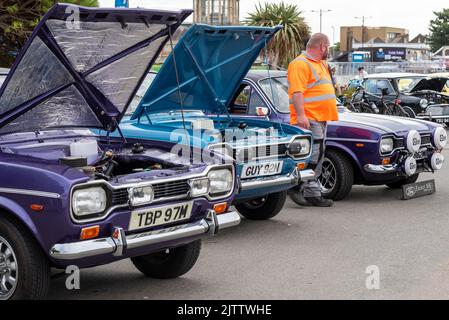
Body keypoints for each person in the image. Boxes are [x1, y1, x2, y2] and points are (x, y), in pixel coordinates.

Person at [287, 33, 339, 207]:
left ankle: (310, 191)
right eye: (328, 47)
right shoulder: (299, 64)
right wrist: (301, 115)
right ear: (322, 46)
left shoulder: (321, 64)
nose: (329, 51)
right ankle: (299, 186)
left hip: (320, 117)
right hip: (310, 117)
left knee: (317, 154)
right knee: (314, 155)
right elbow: (297, 92)